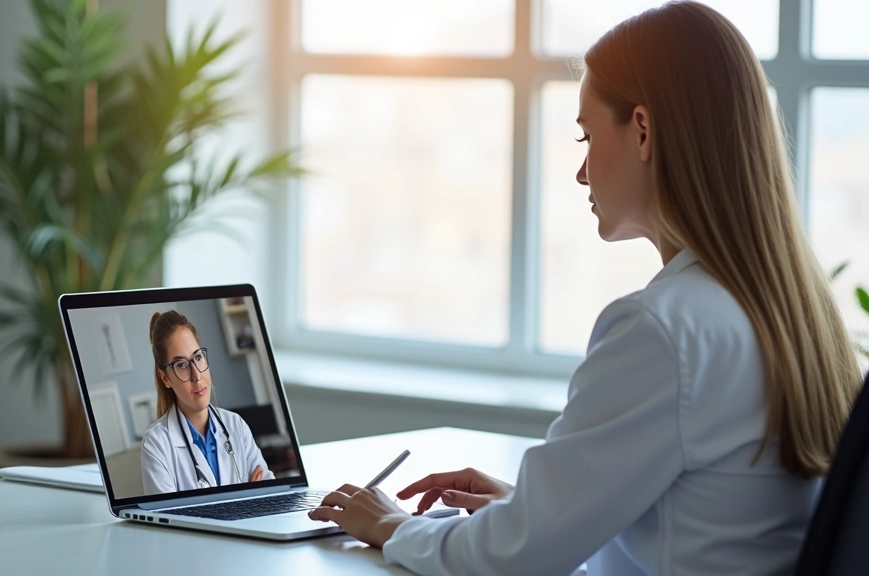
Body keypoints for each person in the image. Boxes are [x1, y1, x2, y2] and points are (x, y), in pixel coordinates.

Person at [306, 2, 864, 574]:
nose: (581, 172)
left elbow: (511, 560)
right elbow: (706, 519)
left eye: (586, 137)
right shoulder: (793, 314)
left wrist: (396, 524)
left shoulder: (663, 328)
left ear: (642, 131)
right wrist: (544, 511)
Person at [141, 309, 275, 495]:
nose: (197, 375)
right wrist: (244, 501)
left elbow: (269, 495)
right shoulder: (157, 444)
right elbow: (169, 520)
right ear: (165, 378)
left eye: (198, 357)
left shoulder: (236, 425)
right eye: (181, 365)